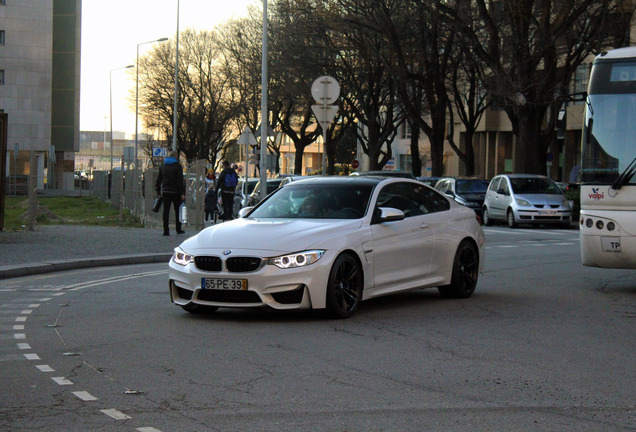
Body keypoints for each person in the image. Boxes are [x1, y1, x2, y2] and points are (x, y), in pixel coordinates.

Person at [155, 150, 185, 236]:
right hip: (176, 192)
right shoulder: (178, 166)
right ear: (176, 157)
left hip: (165, 191)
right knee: (178, 211)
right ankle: (178, 229)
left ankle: (166, 231)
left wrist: (158, 191)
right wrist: (182, 192)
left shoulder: (163, 166)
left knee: (166, 211)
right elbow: (180, 181)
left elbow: (158, 180)